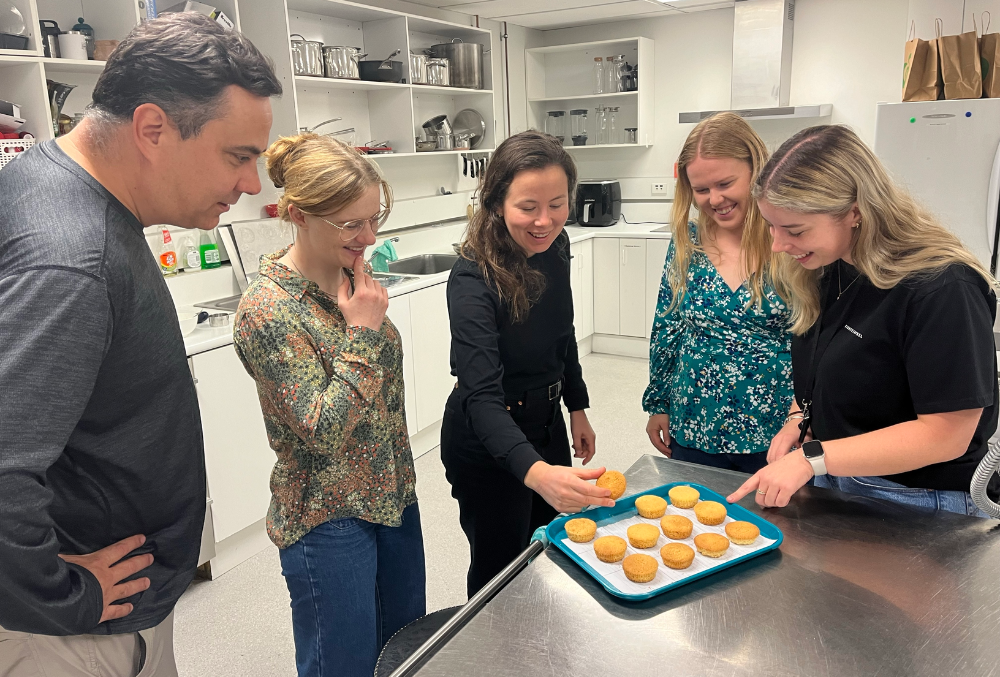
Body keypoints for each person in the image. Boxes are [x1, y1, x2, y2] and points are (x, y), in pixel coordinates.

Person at [0, 13, 280, 676]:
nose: (252, 185)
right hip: (75, 636)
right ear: (152, 129)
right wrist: (67, 597)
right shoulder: (71, 257)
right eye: (238, 156)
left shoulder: (52, 180)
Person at [729, 124, 999, 514]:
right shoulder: (833, 266)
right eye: (771, 226)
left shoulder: (941, 287)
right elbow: (824, 365)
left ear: (855, 212)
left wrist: (813, 458)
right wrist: (798, 420)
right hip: (841, 476)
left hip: (920, 498)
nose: (777, 245)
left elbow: (945, 436)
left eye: (794, 229)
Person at [234, 133, 425, 677]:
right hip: (327, 519)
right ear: (297, 214)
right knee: (342, 667)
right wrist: (361, 334)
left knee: (404, 654)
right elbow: (323, 430)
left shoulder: (351, 278)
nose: (367, 238)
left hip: (392, 499)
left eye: (372, 220)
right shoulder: (268, 309)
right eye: (350, 224)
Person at [442, 130, 615, 598]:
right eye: (528, 207)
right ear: (497, 202)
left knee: (551, 554)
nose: (545, 221)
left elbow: (562, 332)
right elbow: (480, 397)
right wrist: (538, 475)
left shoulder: (556, 248)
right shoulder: (472, 276)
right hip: (486, 440)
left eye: (558, 204)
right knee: (501, 570)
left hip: (546, 422)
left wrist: (576, 406)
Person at [643, 112, 793, 474]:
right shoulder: (687, 242)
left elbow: (815, 337)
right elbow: (668, 327)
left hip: (774, 427)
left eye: (726, 183)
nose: (715, 199)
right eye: (701, 190)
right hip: (695, 421)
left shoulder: (790, 237)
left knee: (771, 527)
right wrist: (658, 403)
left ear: (756, 170)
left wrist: (806, 418)